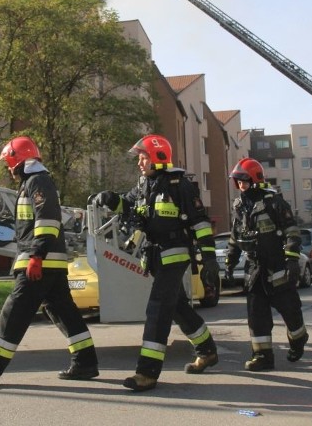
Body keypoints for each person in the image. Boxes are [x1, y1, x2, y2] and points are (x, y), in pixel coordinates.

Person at [0, 135, 99, 385]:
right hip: (49, 263)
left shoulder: (37, 181)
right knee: (64, 312)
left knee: (14, 311)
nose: (8, 169)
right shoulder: (34, 182)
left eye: (8, 163)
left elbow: (48, 221)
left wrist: (36, 256)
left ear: (17, 160)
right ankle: (85, 362)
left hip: (40, 264)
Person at [93, 134, 219, 392]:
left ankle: (147, 373)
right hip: (155, 258)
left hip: (175, 256)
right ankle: (207, 350)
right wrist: (110, 198)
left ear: (158, 157)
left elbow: (200, 224)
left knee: (158, 309)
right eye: (139, 158)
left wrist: (209, 259)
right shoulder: (143, 186)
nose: (139, 163)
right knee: (178, 308)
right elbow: (127, 206)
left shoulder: (179, 185)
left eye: (143, 157)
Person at [225, 158, 308, 372]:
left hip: (277, 265)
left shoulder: (274, 202)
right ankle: (262, 356)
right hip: (254, 268)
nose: (240, 185)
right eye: (237, 181)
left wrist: (291, 259)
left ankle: (298, 339)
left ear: (254, 179)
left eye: (243, 180)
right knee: (256, 313)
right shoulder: (240, 205)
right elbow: (235, 236)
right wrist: (230, 260)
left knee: (290, 310)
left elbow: (291, 231)